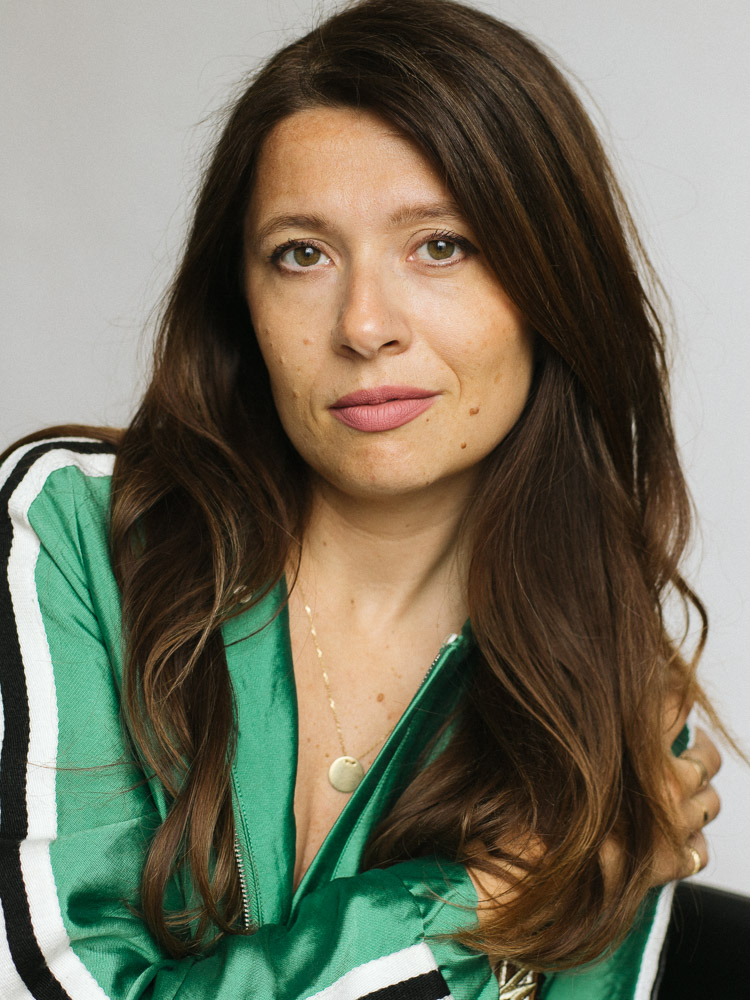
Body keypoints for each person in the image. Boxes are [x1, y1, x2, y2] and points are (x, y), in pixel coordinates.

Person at [0, 0, 725, 997]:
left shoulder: (608, 702)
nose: (365, 325)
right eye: (302, 254)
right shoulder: (73, 537)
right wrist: (492, 894)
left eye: (441, 245)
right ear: (243, 301)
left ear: (552, 281)